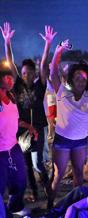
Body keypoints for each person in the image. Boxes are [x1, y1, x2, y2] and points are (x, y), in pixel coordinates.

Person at [1, 22, 53, 202]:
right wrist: (7, 42)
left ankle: (49, 189)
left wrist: (47, 44)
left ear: (34, 73)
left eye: (30, 73)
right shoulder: (18, 86)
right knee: (27, 165)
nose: (27, 75)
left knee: (38, 164)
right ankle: (35, 193)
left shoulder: (40, 86)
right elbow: (11, 64)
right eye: (24, 73)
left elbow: (45, 63)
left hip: (38, 130)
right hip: (21, 131)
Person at [48, 40, 88, 208]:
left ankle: (76, 205)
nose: (81, 80)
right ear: (71, 79)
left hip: (80, 142)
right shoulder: (63, 92)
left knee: (79, 173)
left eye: (84, 78)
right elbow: (53, 71)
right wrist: (59, 50)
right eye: (77, 77)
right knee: (58, 175)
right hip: (62, 141)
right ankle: (50, 204)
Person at [0, 65, 29, 217]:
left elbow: (14, 120)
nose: (11, 80)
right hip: (1, 152)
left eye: (12, 77)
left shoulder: (11, 97)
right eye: (7, 77)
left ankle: (15, 207)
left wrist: (29, 127)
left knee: (20, 181)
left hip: (13, 147)